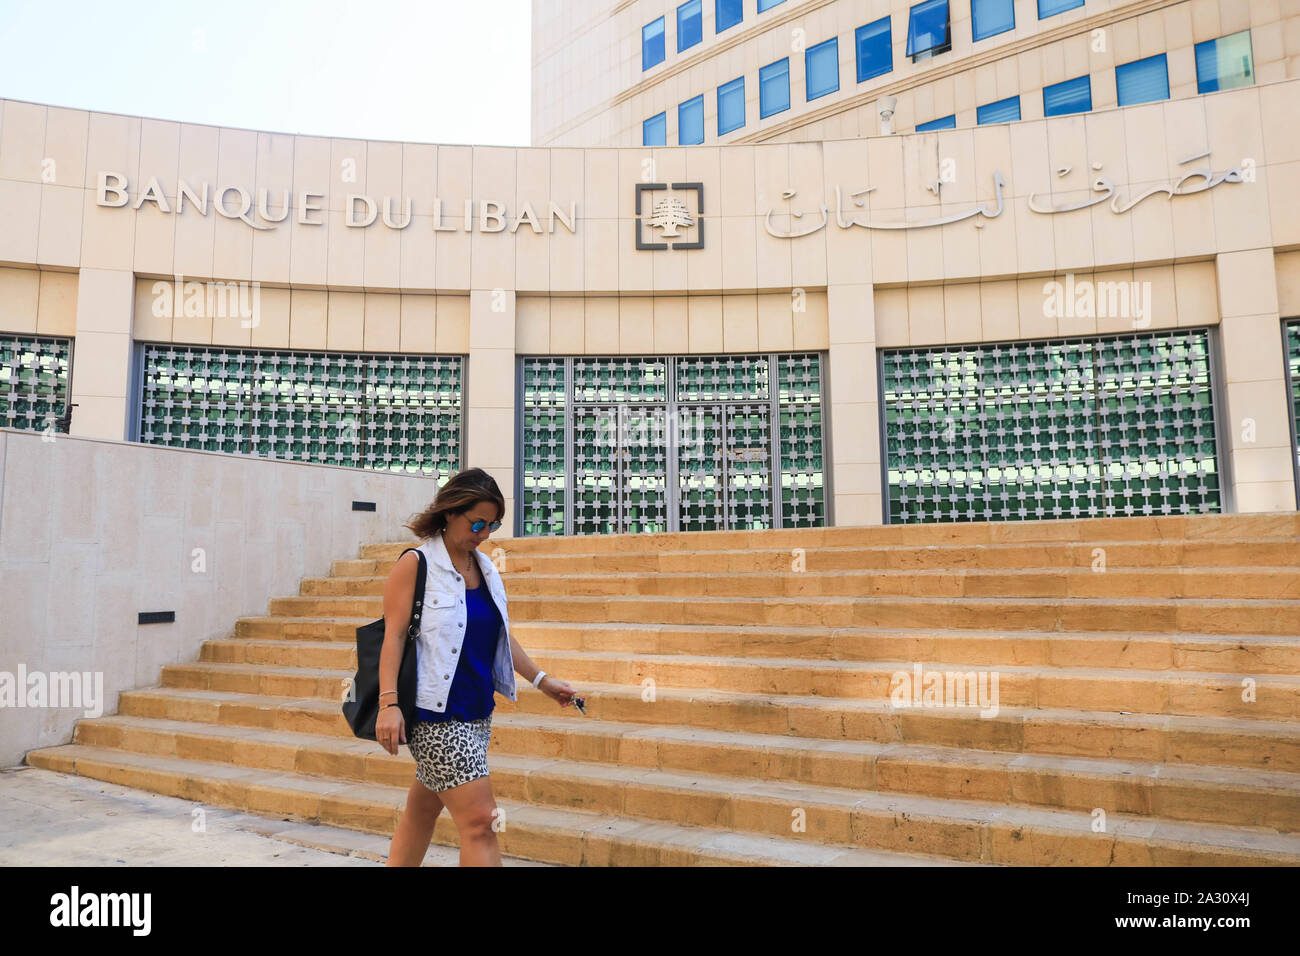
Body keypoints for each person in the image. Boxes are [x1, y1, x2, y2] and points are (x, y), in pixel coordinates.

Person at [377, 467, 578, 866]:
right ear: (450, 513)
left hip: (477, 714)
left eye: (493, 525)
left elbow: (499, 635)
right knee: (481, 823)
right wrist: (388, 704)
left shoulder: (484, 569)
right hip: (435, 716)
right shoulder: (416, 565)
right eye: (477, 523)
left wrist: (541, 680)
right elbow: (393, 636)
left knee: (422, 810)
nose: (484, 533)